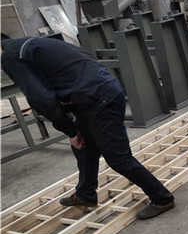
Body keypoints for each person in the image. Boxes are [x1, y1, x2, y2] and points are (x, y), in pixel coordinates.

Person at [0, 34, 175, 219]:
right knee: (84, 147)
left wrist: (70, 131)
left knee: (118, 159)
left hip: (98, 99)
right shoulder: (26, 45)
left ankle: (162, 198)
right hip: (93, 94)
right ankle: (85, 194)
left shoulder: (11, 56)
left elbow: (41, 99)